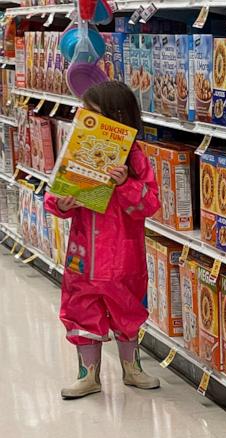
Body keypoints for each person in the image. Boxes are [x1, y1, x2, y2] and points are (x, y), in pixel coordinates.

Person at [44, 80, 161, 400]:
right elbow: (53, 195)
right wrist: (61, 203)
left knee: (128, 308)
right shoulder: (77, 151)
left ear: (116, 119)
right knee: (80, 306)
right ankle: (88, 374)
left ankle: (131, 368)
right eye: (83, 115)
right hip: (83, 254)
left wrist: (125, 184)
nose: (84, 121)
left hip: (124, 256)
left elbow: (150, 203)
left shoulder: (135, 158)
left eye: (91, 115)